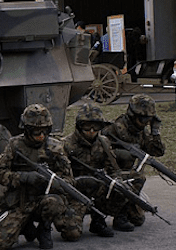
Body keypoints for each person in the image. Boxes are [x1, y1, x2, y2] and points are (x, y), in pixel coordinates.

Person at [0, 104, 80, 250]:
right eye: (37, 132)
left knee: (72, 232)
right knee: (0, 244)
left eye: (45, 131)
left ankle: (44, 228)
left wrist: (55, 183)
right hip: (20, 202)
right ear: (26, 130)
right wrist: (22, 177)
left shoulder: (55, 147)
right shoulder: (15, 145)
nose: (41, 136)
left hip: (44, 201)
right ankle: (26, 226)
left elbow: (69, 179)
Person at [63, 103, 133, 237]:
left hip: (99, 191)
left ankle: (101, 220)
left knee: (124, 187)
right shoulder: (66, 144)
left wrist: (117, 182)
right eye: (87, 126)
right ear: (79, 126)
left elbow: (113, 169)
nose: (91, 131)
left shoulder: (104, 142)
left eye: (96, 127)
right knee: (71, 234)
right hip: (76, 192)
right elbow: (62, 175)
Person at [102, 94, 165, 229]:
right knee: (136, 175)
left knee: (138, 219)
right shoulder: (115, 129)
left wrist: (155, 132)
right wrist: (123, 155)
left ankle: (127, 206)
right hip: (111, 175)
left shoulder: (140, 131)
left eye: (149, 119)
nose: (146, 123)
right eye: (143, 119)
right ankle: (119, 216)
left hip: (128, 179)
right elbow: (100, 153)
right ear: (132, 115)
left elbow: (157, 151)